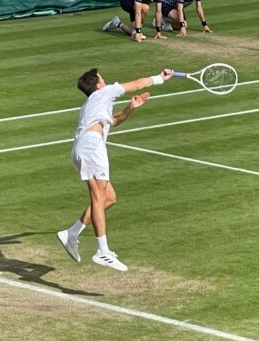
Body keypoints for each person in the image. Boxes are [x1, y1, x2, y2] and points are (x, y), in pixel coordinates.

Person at [56, 66, 175, 272]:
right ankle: (102, 251)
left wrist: (131, 108)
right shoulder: (105, 92)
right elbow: (137, 83)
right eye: (103, 78)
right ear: (98, 84)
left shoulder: (91, 105)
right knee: (98, 198)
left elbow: (113, 121)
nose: (106, 80)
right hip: (92, 147)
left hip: (81, 149)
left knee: (109, 198)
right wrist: (161, 78)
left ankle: (72, 233)